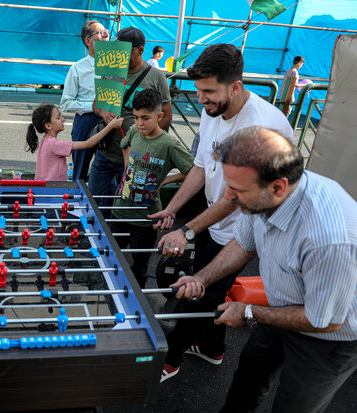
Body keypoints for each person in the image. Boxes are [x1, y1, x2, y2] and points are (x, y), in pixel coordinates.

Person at [173, 126, 357, 413]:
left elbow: (325, 320)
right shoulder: (261, 200)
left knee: (294, 406)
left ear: (278, 186)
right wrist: (201, 278)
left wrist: (249, 312)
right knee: (247, 383)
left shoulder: (328, 237)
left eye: (238, 189)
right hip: (280, 309)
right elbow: (244, 245)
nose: (229, 196)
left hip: (328, 338)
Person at [148, 43, 294, 382]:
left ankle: (168, 360)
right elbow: (201, 166)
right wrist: (172, 209)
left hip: (246, 226)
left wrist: (187, 230)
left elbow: (234, 198)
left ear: (236, 86)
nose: (201, 99)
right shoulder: (212, 110)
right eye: (198, 90)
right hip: (217, 219)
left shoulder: (259, 129)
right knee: (205, 284)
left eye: (208, 91)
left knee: (201, 290)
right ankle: (213, 349)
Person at [111, 88, 193, 288]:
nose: (139, 123)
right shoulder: (133, 131)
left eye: (145, 118)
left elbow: (193, 170)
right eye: (136, 117)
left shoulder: (169, 144)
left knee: (139, 266)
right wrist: (127, 166)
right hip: (119, 210)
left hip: (146, 218)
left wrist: (166, 180)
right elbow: (124, 145)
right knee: (111, 257)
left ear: (160, 116)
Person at [89, 27, 172, 209]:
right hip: (105, 153)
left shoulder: (157, 77)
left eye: (125, 52)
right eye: (117, 51)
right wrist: (103, 113)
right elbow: (96, 104)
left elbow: (166, 117)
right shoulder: (111, 71)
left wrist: (147, 142)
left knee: (127, 206)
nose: (120, 56)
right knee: (95, 202)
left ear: (140, 50)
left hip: (136, 158)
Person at [59, 20, 109, 182]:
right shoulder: (77, 68)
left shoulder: (117, 65)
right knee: (80, 170)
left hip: (111, 121)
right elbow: (66, 103)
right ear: (88, 41)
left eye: (106, 31)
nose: (106, 35)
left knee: (109, 168)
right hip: (86, 121)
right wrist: (94, 107)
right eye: (100, 33)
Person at [25, 103, 123, 181]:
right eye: (58, 118)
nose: (63, 119)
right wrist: (110, 126)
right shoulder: (54, 144)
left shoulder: (45, 141)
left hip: (45, 190)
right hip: (53, 191)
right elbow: (88, 143)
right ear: (48, 126)